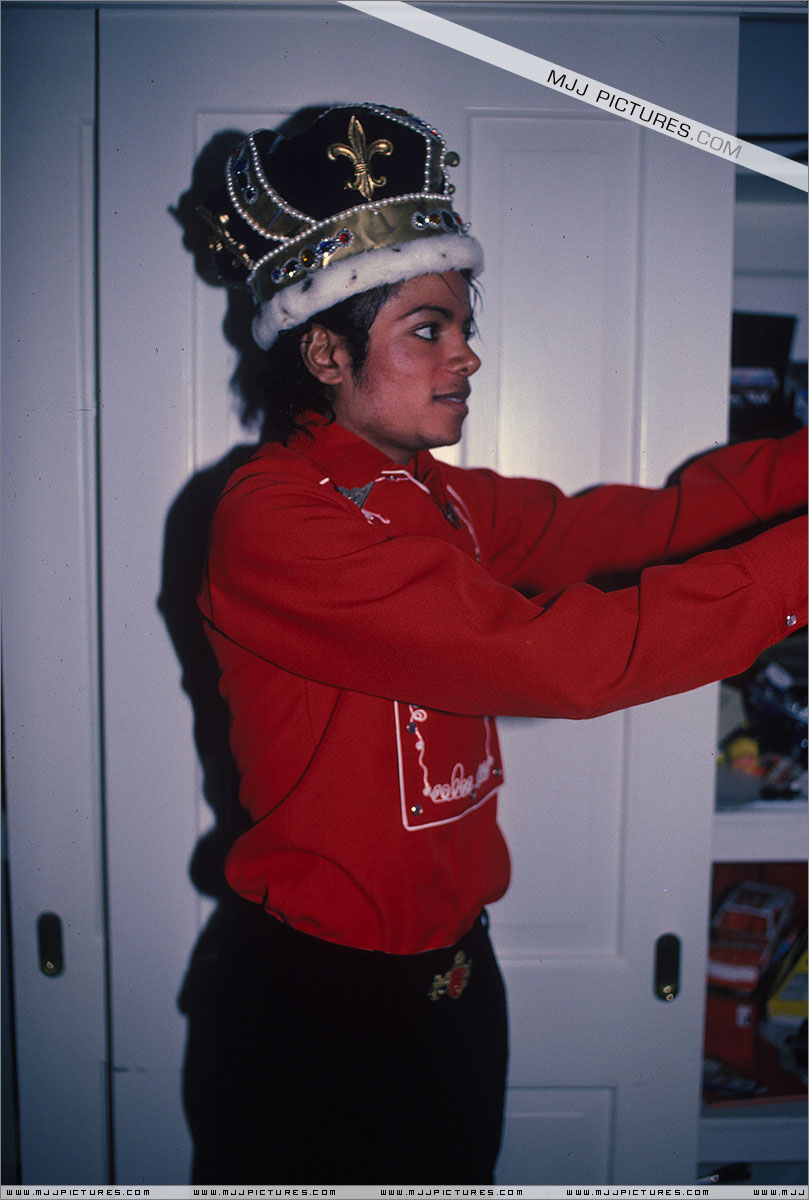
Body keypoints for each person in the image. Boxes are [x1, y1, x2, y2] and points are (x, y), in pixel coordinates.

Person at [194, 103, 807, 1184]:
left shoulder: (438, 497)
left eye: (461, 324)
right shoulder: (275, 517)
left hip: (456, 980)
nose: (466, 354)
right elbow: (557, 661)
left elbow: (651, 526)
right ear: (324, 350)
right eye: (427, 329)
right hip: (318, 1003)